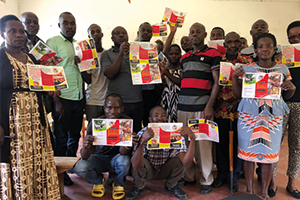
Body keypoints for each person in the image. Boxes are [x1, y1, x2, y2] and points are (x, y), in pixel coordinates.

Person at [0, 14, 60, 199]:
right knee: (18, 158)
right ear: (3, 34)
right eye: (13, 31)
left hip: (36, 119)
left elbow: (39, 87)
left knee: (38, 156)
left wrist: (50, 91)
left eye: (21, 31)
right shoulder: (0, 57)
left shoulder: (31, 58)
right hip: (13, 121)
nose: (19, 35)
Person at [232, 33, 295, 199]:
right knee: (247, 154)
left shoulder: (283, 69)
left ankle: (265, 192)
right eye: (260, 46)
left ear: (274, 49)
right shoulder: (247, 69)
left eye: (268, 46)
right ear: (255, 49)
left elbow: (286, 96)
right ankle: (249, 190)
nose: (264, 49)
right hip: (249, 117)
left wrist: (291, 88)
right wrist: (234, 77)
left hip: (273, 117)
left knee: (269, 156)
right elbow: (239, 96)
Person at [172, 22, 221, 195]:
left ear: (205, 34)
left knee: (203, 147)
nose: (194, 34)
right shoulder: (185, 58)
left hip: (202, 108)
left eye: (198, 31)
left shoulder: (213, 54)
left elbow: (217, 82)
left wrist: (209, 106)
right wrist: (166, 73)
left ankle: (207, 179)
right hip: (183, 108)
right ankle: (189, 175)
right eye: (192, 32)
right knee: (185, 145)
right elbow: (183, 82)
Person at [74, 94, 138, 199]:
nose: (112, 112)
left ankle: (118, 183)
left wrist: (128, 144)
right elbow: (84, 157)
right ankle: (98, 181)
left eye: (116, 108)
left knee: (124, 161)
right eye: (109, 107)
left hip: (117, 158)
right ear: (104, 108)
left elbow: (123, 152)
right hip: (98, 158)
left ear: (122, 109)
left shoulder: (126, 123)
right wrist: (86, 146)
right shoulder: (95, 123)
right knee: (80, 167)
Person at [125, 106, 195, 200]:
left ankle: (171, 186)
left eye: (163, 116)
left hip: (164, 169)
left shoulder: (175, 132)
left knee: (178, 161)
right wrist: (141, 142)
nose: (160, 118)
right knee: (140, 160)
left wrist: (192, 139)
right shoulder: (143, 132)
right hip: (148, 171)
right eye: (156, 116)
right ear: (150, 119)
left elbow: (186, 163)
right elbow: (135, 165)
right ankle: (139, 187)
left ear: (166, 118)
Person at [47, 12, 85, 185]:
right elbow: (48, 72)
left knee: (75, 136)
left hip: (79, 96)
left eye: (73, 23)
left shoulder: (79, 45)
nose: (70, 26)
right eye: (66, 23)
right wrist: (56, 101)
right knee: (60, 137)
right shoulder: (52, 42)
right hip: (63, 98)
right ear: (60, 25)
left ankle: (69, 167)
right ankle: (59, 173)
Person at [212, 32, 252, 192]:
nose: (233, 45)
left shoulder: (248, 63)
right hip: (219, 110)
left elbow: (251, 87)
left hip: (239, 110)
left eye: (237, 42)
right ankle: (222, 175)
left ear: (241, 44)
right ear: (225, 44)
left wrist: (238, 101)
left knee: (238, 144)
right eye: (230, 42)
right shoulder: (218, 61)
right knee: (220, 145)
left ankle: (234, 176)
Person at [272, 21, 300, 199]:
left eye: (298, 36)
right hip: (281, 103)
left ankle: (292, 182)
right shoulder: (282, 58)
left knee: (296, 145)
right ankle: (272, 181)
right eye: (292, 37)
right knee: (275, 143)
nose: (295, 39)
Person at [101, 26, 142, 133]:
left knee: (135, 134)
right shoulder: (107, 54)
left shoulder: (136, 52)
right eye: (117, 33)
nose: (121, 35)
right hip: (117, 105)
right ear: (112, 38)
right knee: (118, 135)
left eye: (124, 33)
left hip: (137, 100)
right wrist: (120, 54)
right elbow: (110, 74)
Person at [81, 24, 108, 122]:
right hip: (92, 100)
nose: (95, 34)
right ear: (89, 37)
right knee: (92, 132)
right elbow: (88, 80)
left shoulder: (108, 54)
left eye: (98, 31)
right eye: (92, 32)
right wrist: (81, 66)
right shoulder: (87, 56)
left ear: (102, 34)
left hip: (107, 101)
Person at [159, 44, 181, 122]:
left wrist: (166, 73)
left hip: (180, 100)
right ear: (167, 55)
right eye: (171, 54)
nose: (174, 56)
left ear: (180, 55)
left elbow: (179, 82)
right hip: (166, 101)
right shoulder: (163, 69)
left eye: (176, 54)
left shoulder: (183, 69)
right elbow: (161, 87)